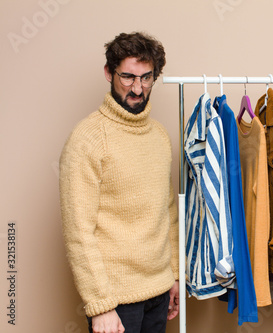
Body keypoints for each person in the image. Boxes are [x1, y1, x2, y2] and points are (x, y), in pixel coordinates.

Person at [59, 32, 179, 333]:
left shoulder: (160, 137)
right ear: (109, 73)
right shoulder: (87, 139)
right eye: (127, 77)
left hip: (160, 292)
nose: (138, 88)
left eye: (146, 78)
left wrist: (175, 275)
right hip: (115, 300)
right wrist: (100, 305)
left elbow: (169, 212)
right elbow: (79, 232)